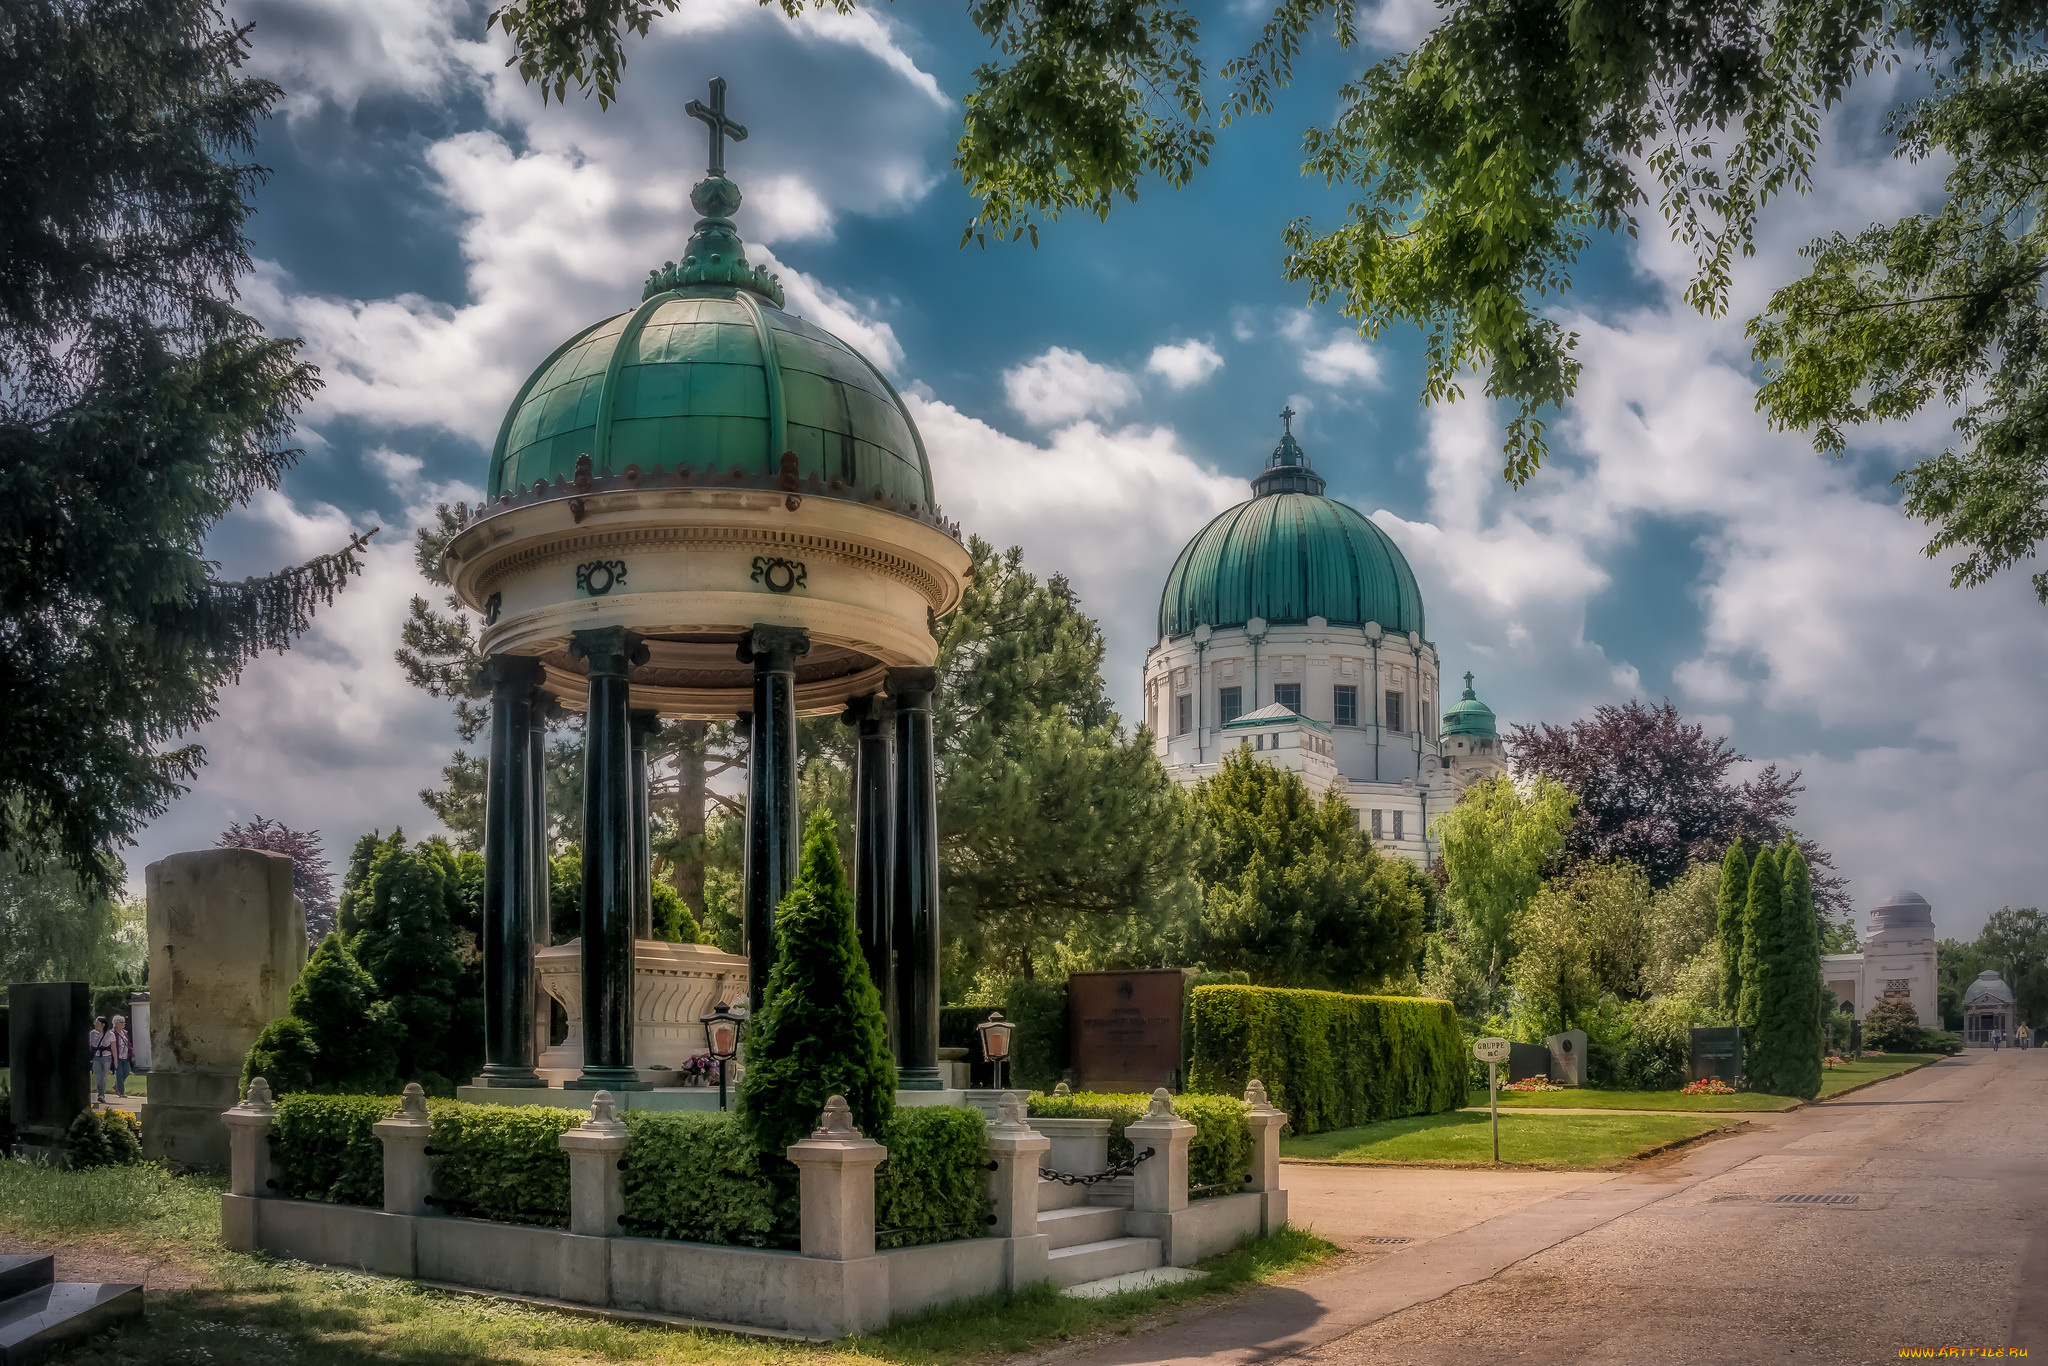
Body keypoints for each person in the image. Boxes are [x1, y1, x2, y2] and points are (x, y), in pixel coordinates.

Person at [87, 1016, 112, 1103]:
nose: (95, 1024)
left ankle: (101, 1094)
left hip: (107, 1057)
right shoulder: (92, 1033)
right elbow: (90, 1045)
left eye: (97, 1023)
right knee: (98, 1077)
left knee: (103, 1077)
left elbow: (113, 1048)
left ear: (103, 1024)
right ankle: (101, 1095)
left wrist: (115, 1060)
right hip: (96, 1057)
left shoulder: (110, 1034)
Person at [110, 1015, 134, 1097]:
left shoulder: (125, 1033)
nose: (124, 1024)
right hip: (117, 1057)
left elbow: (129, 1044)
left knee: (126, 1072)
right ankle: (121, 1092)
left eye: (124, 1022)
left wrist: (132, 1053)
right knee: (119, 1075)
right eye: (122, 1022)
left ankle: (116, 1086)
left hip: (125, 1056)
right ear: (116, 1024)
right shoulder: (112, 1033)